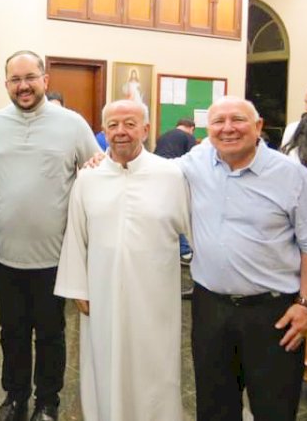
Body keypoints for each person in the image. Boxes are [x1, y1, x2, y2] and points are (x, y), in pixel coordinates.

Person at [0, 50, 101, 421]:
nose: (23, 86)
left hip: (53, 257)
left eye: (30, 77)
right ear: (6, 84)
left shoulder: (73, 124)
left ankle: (48, 403)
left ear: (45, 79)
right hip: (3, 253)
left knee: (50, 334)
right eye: (15, 80)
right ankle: (14, 398)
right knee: (11, 333)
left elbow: (95, 171)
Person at [180, 96, 307, 421]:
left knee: (274, 407)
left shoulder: (292, 176)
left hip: (273, 312)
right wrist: (101, 161)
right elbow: (148, 172)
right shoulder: (195, 163)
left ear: (258, 127)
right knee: (214, 406)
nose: (228, 128)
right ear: (206, 130)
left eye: (237, 120)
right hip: (210, 309)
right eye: (218, 122)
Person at [54, 100, 190, 421]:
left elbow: (196, 228)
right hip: (102, 295)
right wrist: (78, 288)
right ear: (103, 132)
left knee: (155, 365)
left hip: (155, 297)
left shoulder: (170, 175)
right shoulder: (88, 179)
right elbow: (76, 235)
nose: (121, 132)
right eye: (113, 125)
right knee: (105, 362)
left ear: (145, 129)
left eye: (130, 124)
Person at [154, 118, 197, 264]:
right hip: (174, 174)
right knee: (179, 210)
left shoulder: (164, 135)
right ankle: (185, 250)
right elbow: (194, 160)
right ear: (191, 128)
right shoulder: (189, 137)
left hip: (156, 172)